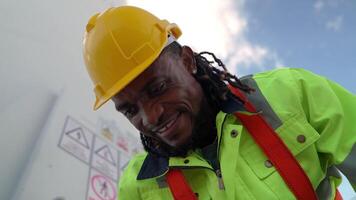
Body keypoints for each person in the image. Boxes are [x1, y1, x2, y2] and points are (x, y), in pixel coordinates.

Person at [82, 6, 355, 200]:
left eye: (158, 88)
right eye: (130, 110)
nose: (151, 117)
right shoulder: (139, 187)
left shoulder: (291, 94)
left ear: (187, 61)